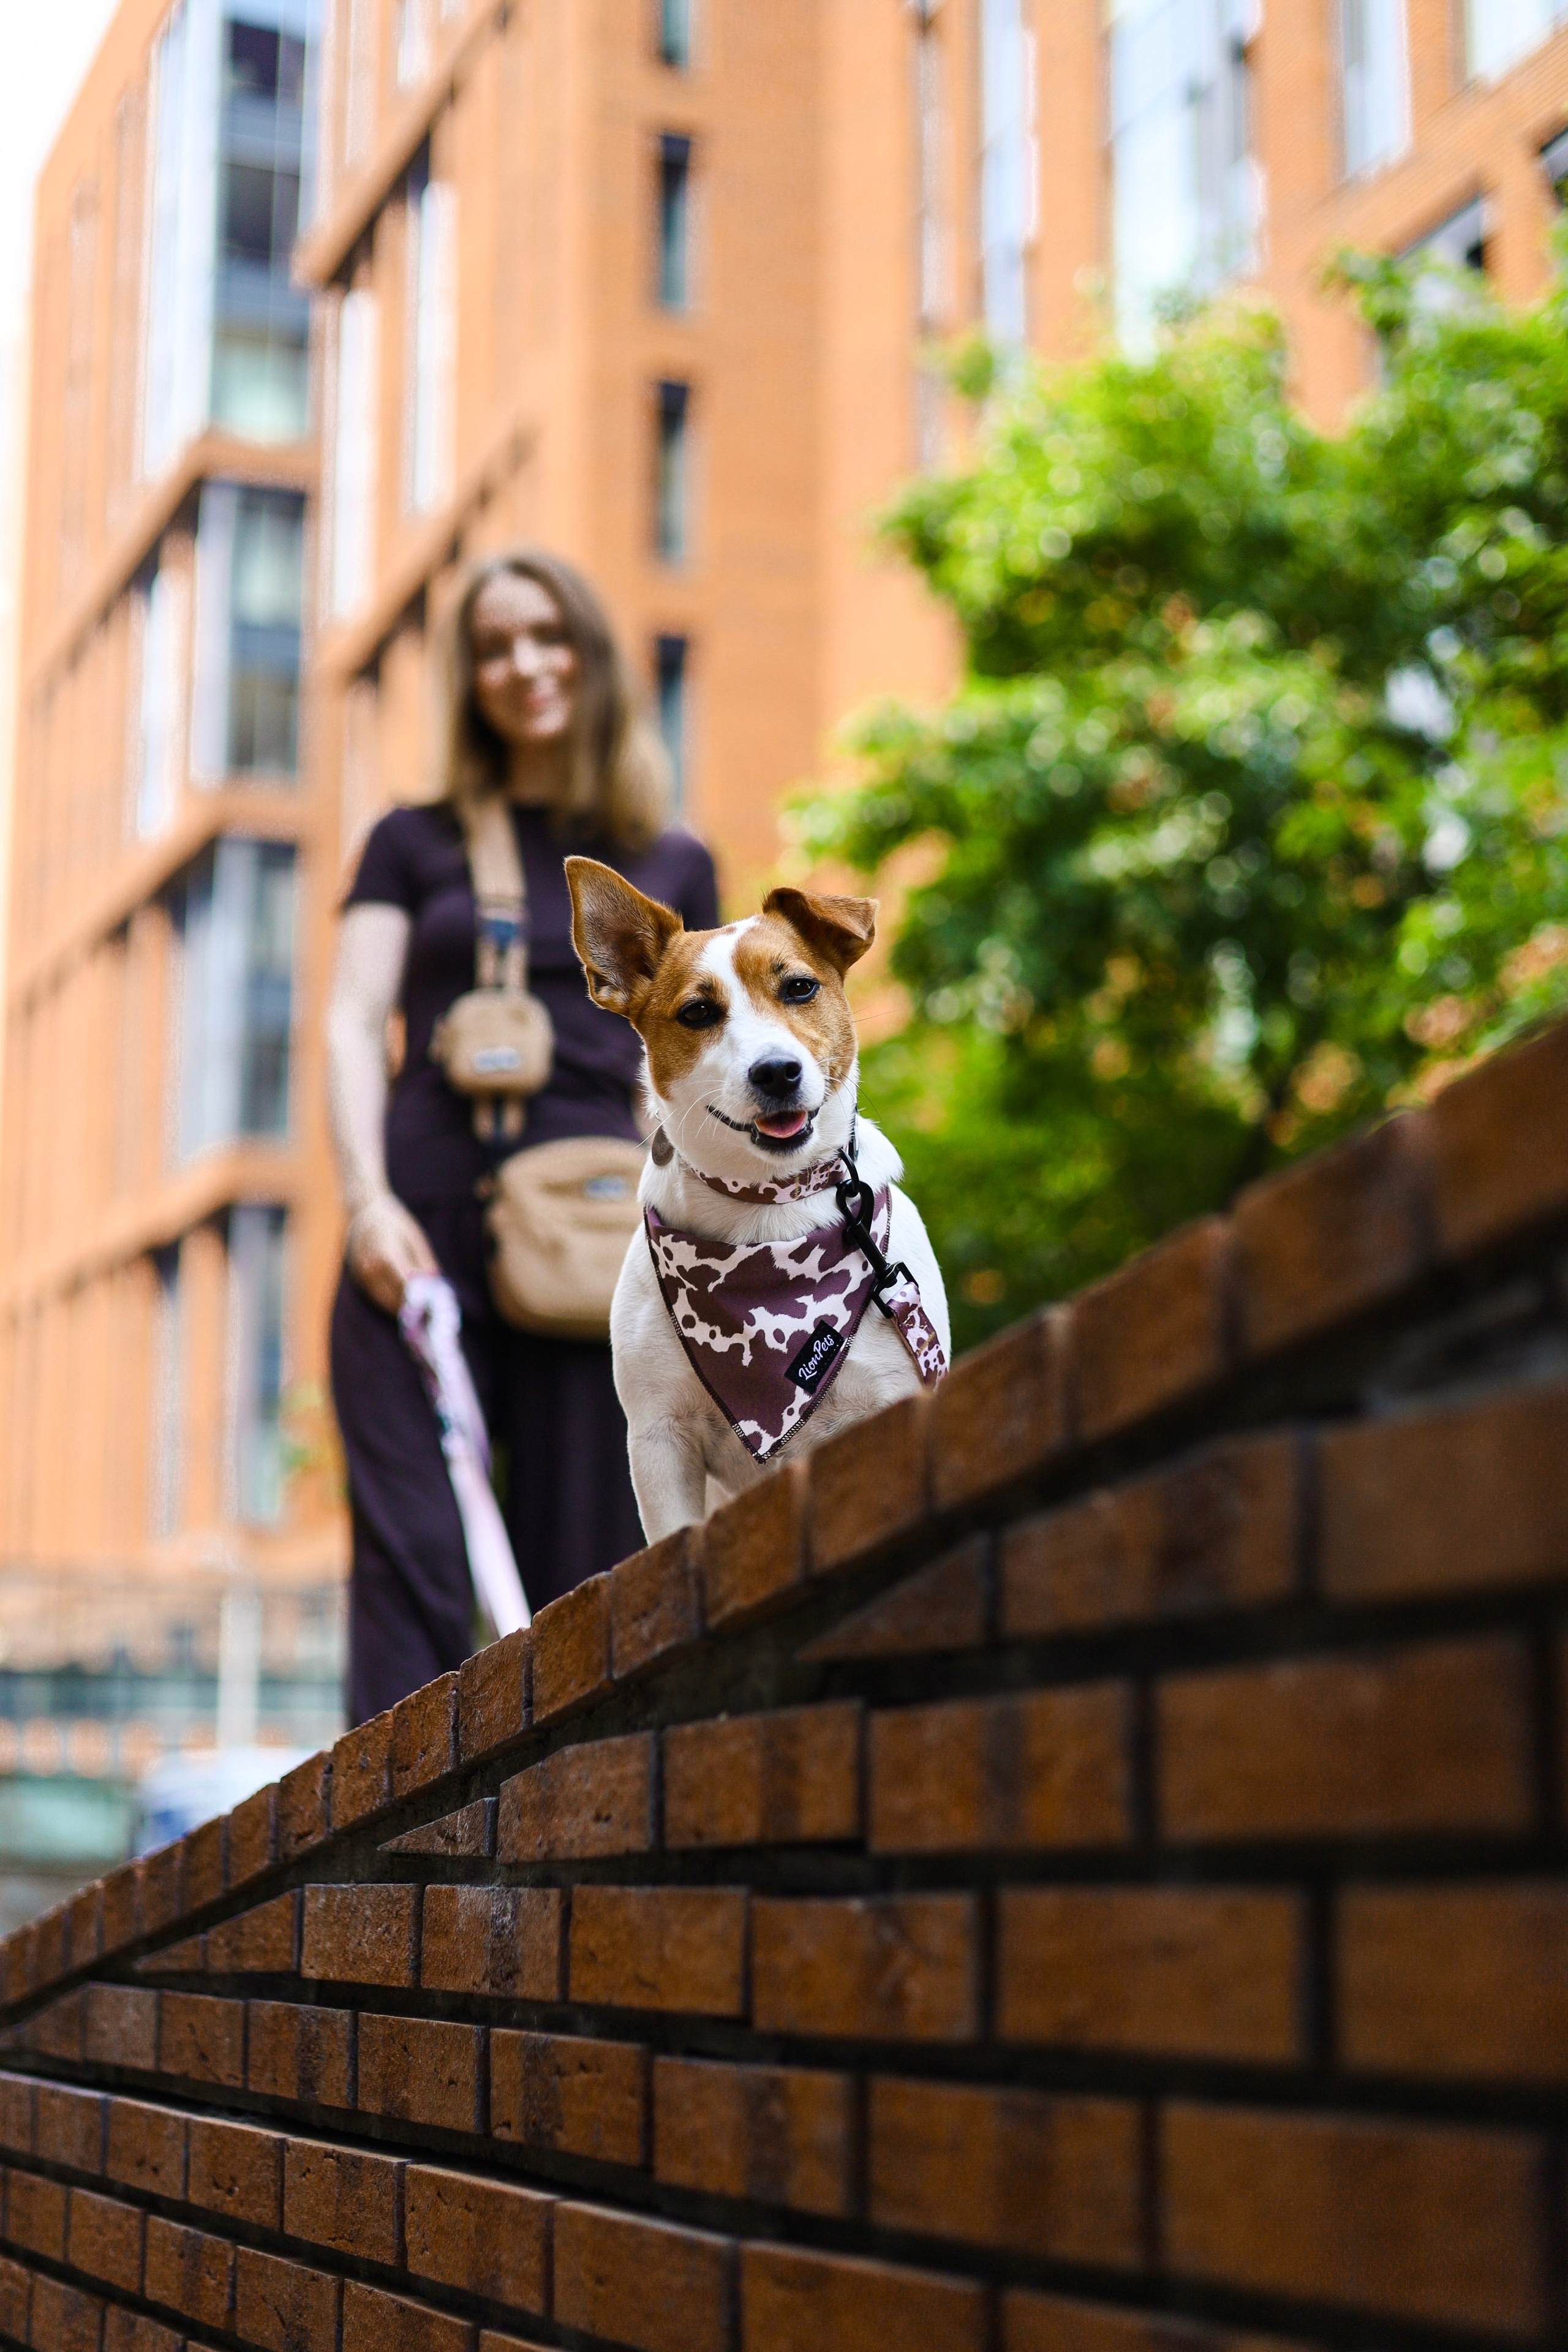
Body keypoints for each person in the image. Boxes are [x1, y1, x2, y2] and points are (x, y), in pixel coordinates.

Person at [326, 549, 718, 1722]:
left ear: (590, 657)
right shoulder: (411, 840)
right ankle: (379, 1886)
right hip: (421, 1237)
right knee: (411, 1576)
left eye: (546, 637)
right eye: (493, 647)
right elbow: (351, 1018)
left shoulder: (674, 858)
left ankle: (571, 1865)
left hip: (591, 1244)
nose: (522, 666)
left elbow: (686, 1068)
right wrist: (365, 1206)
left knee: (585, 1578)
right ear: (469, 676)